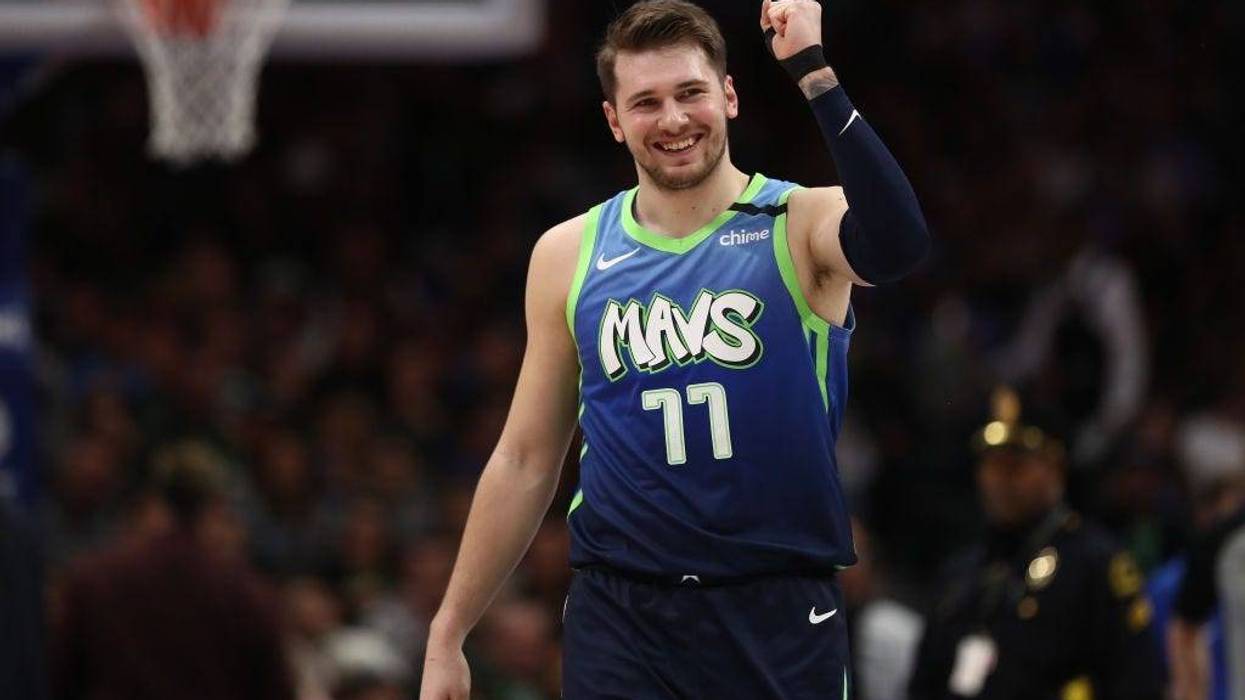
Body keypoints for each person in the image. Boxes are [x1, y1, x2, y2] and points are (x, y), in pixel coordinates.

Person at [420, 0, 929, 697]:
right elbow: (526, 456)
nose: (673, 120)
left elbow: (899, 244)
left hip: (774, 606)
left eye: (690, 92)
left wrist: (813, 71)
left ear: (728, 95)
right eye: (646, 102)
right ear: (613, 120)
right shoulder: (568, 252)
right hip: (622, 612)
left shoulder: (797, 221)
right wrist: (449, 630)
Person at [908, 388, 1165, 700]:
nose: (1000, 480)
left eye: (1015, 466)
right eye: (991, 464)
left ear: (1054, 468)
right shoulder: (962, 574)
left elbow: (1139, 679)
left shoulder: (1095, 564)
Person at [51, 441, 296, 700]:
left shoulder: (94, 580)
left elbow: (62, 681)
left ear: (158, 500)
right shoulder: (244, 594)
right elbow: (275, 689)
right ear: (214, 507)